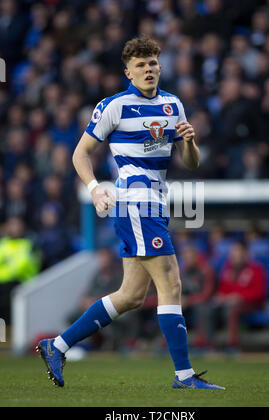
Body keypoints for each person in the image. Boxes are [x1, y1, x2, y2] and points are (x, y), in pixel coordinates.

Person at [37, 36, 225, 390]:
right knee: (171, 282)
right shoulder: (115, 106)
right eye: (141, 65)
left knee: (131, 295)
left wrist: (189, 141)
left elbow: (191, 162)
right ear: (129, 72)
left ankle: (56, 345)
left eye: (153, 62)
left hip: (157, 201)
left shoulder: (173, 105)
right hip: (136, 202)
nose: (149, 69)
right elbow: (80, 154)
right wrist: (95, 190)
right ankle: (184, 376)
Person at [209, 241, 267, 352]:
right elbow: (223, 288)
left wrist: (239, 296)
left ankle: (233, 345)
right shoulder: (228, 269)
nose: (235, 255)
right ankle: (209, 345)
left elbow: (259, 293)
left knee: (232, 309)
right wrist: (221, 296)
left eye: (238, 251)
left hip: (251, 303)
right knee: (208, 308)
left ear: (245, 253)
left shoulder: (256, 269)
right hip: (229, 302)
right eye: (233, 252)